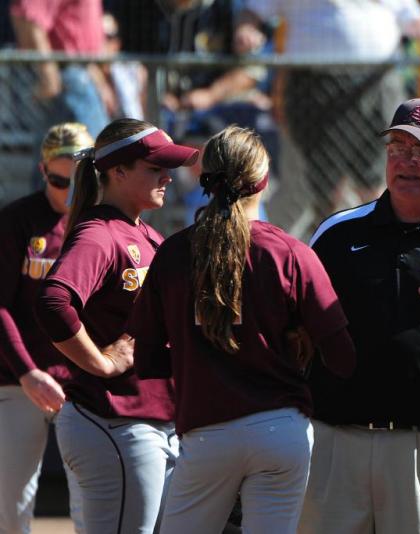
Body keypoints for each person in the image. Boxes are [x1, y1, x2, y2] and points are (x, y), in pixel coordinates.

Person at [125, 126, 356, 532]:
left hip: (206, 432)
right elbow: (343, 359)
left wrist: (194, 355)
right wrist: (295, 349)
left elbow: (146, 361)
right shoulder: (290, 252)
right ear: (262, 182)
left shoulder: (174, 252)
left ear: (205, 179)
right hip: (281, 430)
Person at [301, 98, 420, 534]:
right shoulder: (337, 234)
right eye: (397, 147)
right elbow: (300, 334)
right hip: (338, 442)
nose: (405, 161)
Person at [35, 119, 199, 534]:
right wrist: (100, 363)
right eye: (154, 167)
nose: (167, 176)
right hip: (114, 417)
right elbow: (54, 302)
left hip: (146, 421)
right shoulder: (99, 233)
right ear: (118, 171)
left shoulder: (145, 234)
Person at [235, 0, 420, 230]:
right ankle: (324, 253)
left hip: (377, 82)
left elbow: (408, 13)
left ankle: (378, 250)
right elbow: (254, 10)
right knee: (324, 190)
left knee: (379, 180)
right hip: (316, 85)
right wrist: (246, 29)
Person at [0, 122, 92, 534]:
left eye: (77, 179)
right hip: (19, 379)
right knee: (11, 503)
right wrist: (26, 372)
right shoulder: (18, 221)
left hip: (82, 383)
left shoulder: (100, 226)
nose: (68, 190)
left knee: (92, 501)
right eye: (58, 179)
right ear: (42, 172)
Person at [10, 0, 110, 138]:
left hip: (82, 72)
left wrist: (99, 80)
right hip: (67, 77)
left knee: (61, 153)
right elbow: (31, 19)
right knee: (94, 151)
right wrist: (48, 73)